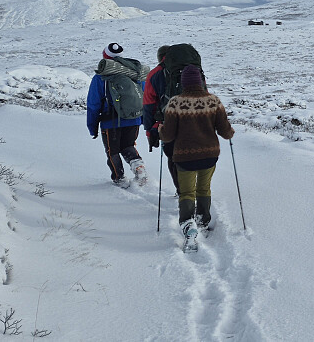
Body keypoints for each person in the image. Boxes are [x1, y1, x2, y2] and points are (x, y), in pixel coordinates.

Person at [159, 65, 235, 244]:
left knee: (186, 192)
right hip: (209, 156)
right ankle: (203, 220)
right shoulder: (213, 101)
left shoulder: (175, 102)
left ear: (183, 83)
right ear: (200, 81)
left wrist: (161, 131)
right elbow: (225, 131)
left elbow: (168, 135)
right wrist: (230, 132)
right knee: (203, 188)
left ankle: (188, 224)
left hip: (184, 157)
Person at [86, 43, 148, 188]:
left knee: (112, 151)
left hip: (110, 122)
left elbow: (93, 104)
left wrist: (92, 126)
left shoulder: (101, 77)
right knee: (128, 146)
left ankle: (119, 179)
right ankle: (139, 167)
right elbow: (143, 99)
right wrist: (143, 120)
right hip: (134, 119)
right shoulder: (135, 74)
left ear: (105, 57)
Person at [142, 45, 178, 193]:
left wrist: (150, 131)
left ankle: (182, 192)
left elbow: (149, 105)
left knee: (172, 157)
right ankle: (197, 193)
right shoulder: (193, 70)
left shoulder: (155, 74)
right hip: (195, 121)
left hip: (168, 123)